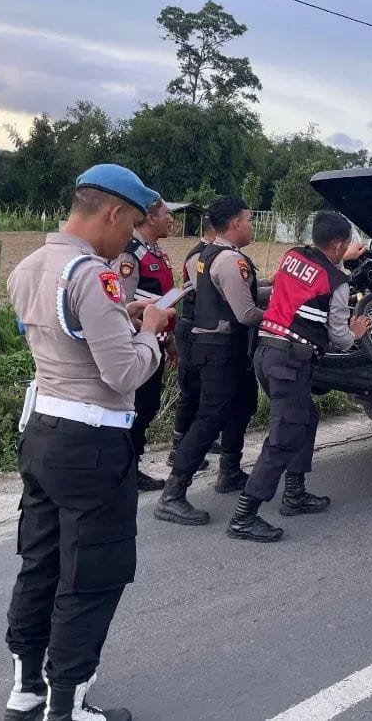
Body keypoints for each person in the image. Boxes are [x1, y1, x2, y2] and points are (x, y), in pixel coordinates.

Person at [3, 164, 173, 721]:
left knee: (40, 562)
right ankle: (68, 705)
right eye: (132, 224)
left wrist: (117, 316)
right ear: (114, 212)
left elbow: (64, 335)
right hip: (92, 443)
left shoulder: (30, 266)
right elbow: (122, 373)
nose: (130, 237)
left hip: (42, 434)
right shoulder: (91, 274)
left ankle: (26, 690)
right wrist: (148, 329)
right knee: (91, 575)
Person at [227, 211, 372, 541]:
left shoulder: (292, 256)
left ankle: (295, 493)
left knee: (306, 417)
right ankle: (244, 516)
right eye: (345, 244)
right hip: (290, 362)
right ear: (338, 244)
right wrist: (357, 332)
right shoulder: (337, 284)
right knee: (283, 437)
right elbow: (339, 337)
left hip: (265, 352)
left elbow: (305, 277)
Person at [155, 196, 272, 526]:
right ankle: (173, 495)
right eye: (249, 220)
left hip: (221, 346)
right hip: (220, 349)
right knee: (210, 418)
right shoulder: (230, 261)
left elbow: (237, 295)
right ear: (235, 224)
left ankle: (230, 472)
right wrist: (280, 315)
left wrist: (276, 290)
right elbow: (246, 312)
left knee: (242, 406)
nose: (252, 226)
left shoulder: (208, 254)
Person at [114, 198, 179, 491]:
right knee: (138, 407)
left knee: (148, 405)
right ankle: (124, 470)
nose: (171, 219)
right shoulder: (130, 256)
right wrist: (146, 332)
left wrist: (168, 342)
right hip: (136, 346)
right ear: (150, 217)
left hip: (155, 343)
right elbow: (121, 305)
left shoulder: (158, 254)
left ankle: (130, 466)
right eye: (167, 214)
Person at [168, 217, 218, 469]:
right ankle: (177, 448)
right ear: (214, 231)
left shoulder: (208, 253)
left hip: (201, 327)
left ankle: (198, 440)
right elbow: (209, 290)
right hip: (189, 326)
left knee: (202, 387)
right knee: (190, 388)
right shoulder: (198, 255)